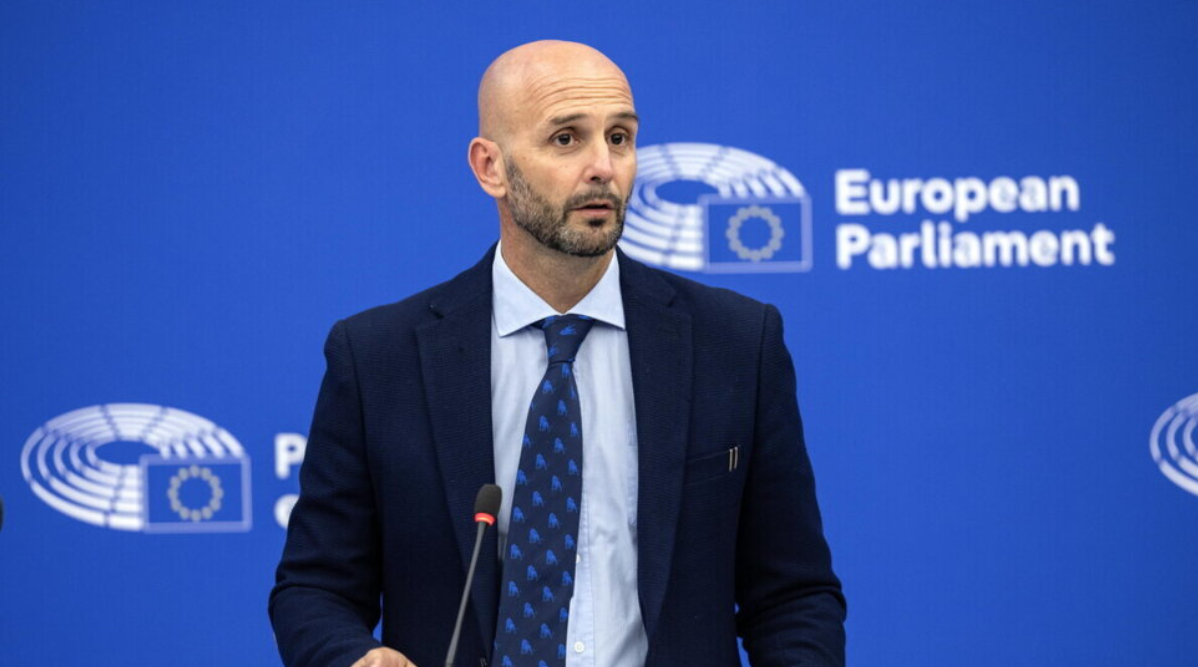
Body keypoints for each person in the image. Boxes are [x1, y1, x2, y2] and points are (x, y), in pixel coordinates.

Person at [270, 40, 845, 667]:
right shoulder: (378, 357)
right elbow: (315, 587)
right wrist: (351, 657)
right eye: (566, 139)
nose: (603, 165)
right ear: (490, 167)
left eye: (620, 138)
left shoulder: (736, 342)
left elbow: (793, 597)